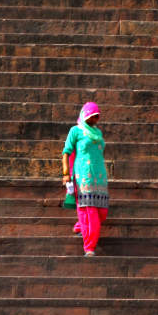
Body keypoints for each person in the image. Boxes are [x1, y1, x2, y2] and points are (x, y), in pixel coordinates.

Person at [61, 102, 108, 257]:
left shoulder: (98, 132)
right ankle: (89, 247)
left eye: (97, 116)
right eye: (93, 116)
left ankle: (80, 227)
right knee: (89, 212)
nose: (96, 119)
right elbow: (66, 152)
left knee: (102, 212)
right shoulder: (76, 131)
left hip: (99, 176)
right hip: (83, 176)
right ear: (86, 115)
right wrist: (66, 173)